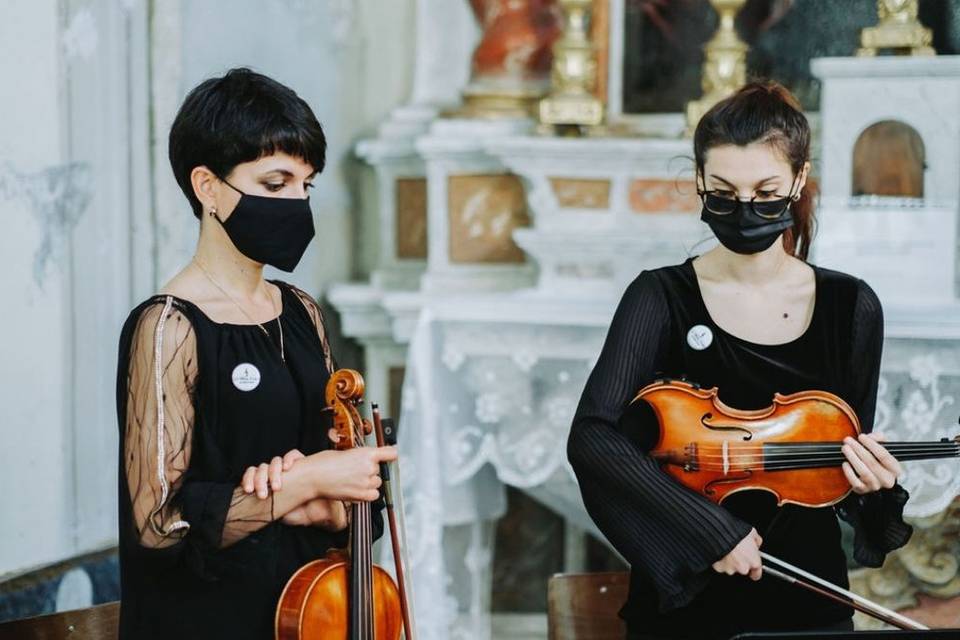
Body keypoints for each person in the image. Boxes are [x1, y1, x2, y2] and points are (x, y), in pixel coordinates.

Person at [567, 81, 913, 640]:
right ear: (700, 181)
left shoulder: (851, 306)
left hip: (809, 601)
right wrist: (711, 532)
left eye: (766, 191)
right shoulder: (659, 298)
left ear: (798, 181)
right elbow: (593, 438)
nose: (745, 209)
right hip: (685, 599)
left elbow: (840, 464)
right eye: (724, 192)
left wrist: (874, 486)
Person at [115, 68, 397, 639]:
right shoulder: (168, 326)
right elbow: (157, 524)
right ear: (208, 187)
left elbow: (348, 484)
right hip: (209, 620)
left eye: (306, 185)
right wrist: (299, 485)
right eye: (275, 184)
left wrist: (331, 501)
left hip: (310, 609)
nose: (297, 202)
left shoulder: (300, 310)